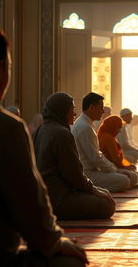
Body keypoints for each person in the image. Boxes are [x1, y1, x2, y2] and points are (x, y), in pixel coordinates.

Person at [0, 24, 88, 267]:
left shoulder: (47, 128)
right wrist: (54, 242)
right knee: (71, 262)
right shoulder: (6, 126)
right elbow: (29, 206)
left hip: (67, 192)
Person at [33, 92, 115, 220]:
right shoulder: (62, 133)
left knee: (104, 193)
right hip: (59, 199)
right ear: (62, 110)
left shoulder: (39, 130)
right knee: (108, 204)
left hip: (41, 198)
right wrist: (93, 190)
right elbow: (73, 174)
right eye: (72, 110)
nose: (75, 114)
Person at [72, 92, 130, 192]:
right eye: (101, 108)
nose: (103, 111)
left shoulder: (86, 125)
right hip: (88, 173)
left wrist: (114, 169)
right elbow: (95, 159)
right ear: (92, 107)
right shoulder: (84, 127)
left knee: (131, 177)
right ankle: (92, 190)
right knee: (125, 180)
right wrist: (115, 170)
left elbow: (98, 155)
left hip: (95, 170)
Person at [98, 115, 138, 188]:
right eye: (118, 128)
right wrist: (126, 167)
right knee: (135, 176)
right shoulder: (108, 138)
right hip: (109, 168)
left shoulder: (108, 136)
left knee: (135, 175)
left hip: (112, 167)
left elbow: (117, 157)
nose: (119, 131)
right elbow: (116, 160)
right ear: (112, 127)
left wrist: (127, 165)